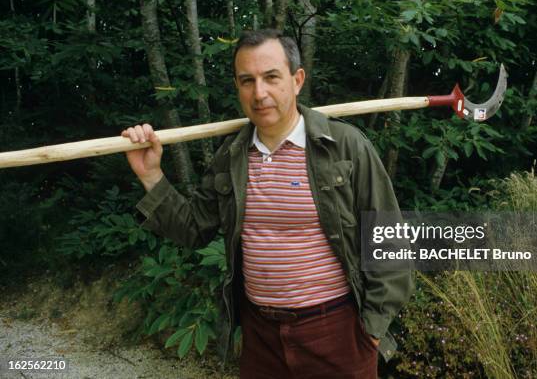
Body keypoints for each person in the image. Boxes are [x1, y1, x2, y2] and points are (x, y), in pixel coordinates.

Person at [122, 29, 412, 378]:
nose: (259, 93)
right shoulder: (231, 157)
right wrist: (151, 175)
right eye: (247, 81)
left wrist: (372, 331)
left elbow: (390, 241)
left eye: (271, 77)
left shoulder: (344, 147)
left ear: (297, 79)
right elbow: (193, 229)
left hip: (337, 333)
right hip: (261, 338)